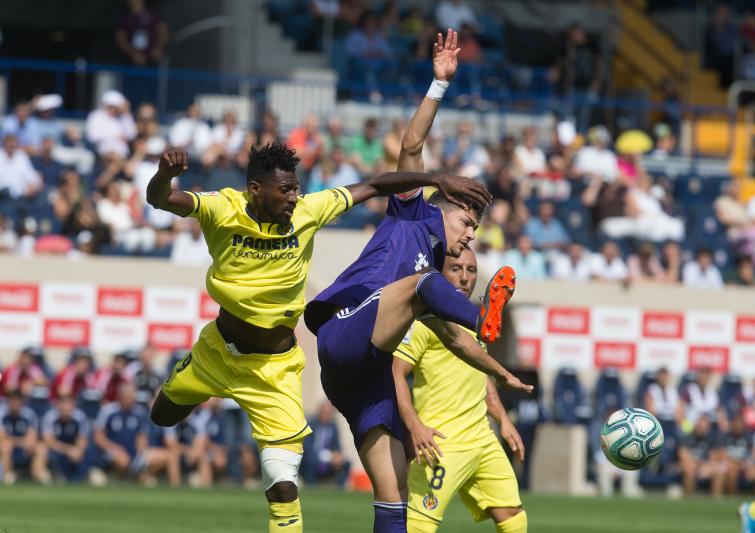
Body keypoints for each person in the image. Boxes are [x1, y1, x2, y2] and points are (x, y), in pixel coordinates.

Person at [146, 32, 492, 532]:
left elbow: (372, 184)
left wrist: (440, 177)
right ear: (255, 190)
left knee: (284, 484)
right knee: (163, 417)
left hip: (277, 367)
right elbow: (163, 200)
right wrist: (162, 176)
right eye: (284, 190)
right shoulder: (223, 209)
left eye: (296, 189)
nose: (293, 198)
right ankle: (185, 382)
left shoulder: (310, 209)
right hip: (218, 350)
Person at [304, 30, 531, 533]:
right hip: (347, 328)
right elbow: (411, 145)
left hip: (360, 377)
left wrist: (500, 372)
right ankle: (484, 315)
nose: (470, 234)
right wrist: (438, 85)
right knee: (425, 282)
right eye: (467, 222)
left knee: (395, 495)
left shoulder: (435, 278)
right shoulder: (412, 215)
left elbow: (456, 340)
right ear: (444, 207)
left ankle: (484, 318)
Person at [393, 247, 528, 533]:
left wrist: (502, 419)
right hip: (442, 443)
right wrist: (414, 425)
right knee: (418, 526)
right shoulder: (424, 321)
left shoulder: (475, 321)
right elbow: (395, 373)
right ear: (439, 274)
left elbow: (480, 376)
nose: (465, 277)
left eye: (471, 270)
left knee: (513, 517)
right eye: (456, 269)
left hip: (482, 439)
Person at [91, 383, 149, 485]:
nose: (129, 400)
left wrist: (141, 454)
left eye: (131, 397)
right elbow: (97, 436)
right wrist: (114, 448)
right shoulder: (108, 411)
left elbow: (142, 436)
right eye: (126, 397)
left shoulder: (140, 412)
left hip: (133, 453)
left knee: (162, 457)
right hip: (111, 452)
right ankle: (116, 480)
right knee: (123, 461)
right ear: (120, 396)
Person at [0, 390, 49, 485]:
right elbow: (1, 437)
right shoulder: (1, 413)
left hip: (23, 446)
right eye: (13, 401)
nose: (15, 403)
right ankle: (7, 476)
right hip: (7, 446)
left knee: (41, 448)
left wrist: (24, 442)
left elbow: (32, 437)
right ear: (8, 401)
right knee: (6, 445)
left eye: (18, 401)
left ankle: (39, 475)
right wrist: (21, 441)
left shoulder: (29, 414)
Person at [41, 394, 91, 483]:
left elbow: (83, 439)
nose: (65, 407)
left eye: (68, 404)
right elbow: (49, 441)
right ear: (58, 405)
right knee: (41, 449)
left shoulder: (80, 417)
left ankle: (83, 477)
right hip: (56, 450)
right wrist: (68, 450)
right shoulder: (50, 417)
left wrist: (78, 450)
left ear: (73, 405)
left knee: (88, 451)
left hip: (74, 451)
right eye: (63, 404)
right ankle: (47, 477)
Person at [301, 400, 350, 487]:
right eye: (324, 412)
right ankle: (311, 489)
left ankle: (340, 491)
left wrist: (337, 456)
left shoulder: (333, 427)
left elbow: (337, 446)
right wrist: (326, 457)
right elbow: (308, 449)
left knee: (346, 463)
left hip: (329, 460)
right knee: (310, 461)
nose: (325, 415)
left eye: (328, 413)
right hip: (313, 458)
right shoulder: (311, 424)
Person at [677, 414, 725, 498]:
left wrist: (702, 466)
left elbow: (714, 458)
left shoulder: (712, 439)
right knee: (689, 469)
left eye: (704, 427)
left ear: (708, 428)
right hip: (690, 466)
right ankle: (688, 499)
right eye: (699, 426)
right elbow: (683, 456)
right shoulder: (687, 437)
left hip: (704, 467)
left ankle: (715, 500)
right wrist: (698, 465)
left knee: (719, 470)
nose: (701, 429)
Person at [115, 0, 168, 66]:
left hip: (153, 57)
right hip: (131, 58)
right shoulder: (125, 17)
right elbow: (120, 38)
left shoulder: (152, 14)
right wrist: (133, 53)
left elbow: (163, 31)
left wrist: (159, 47)